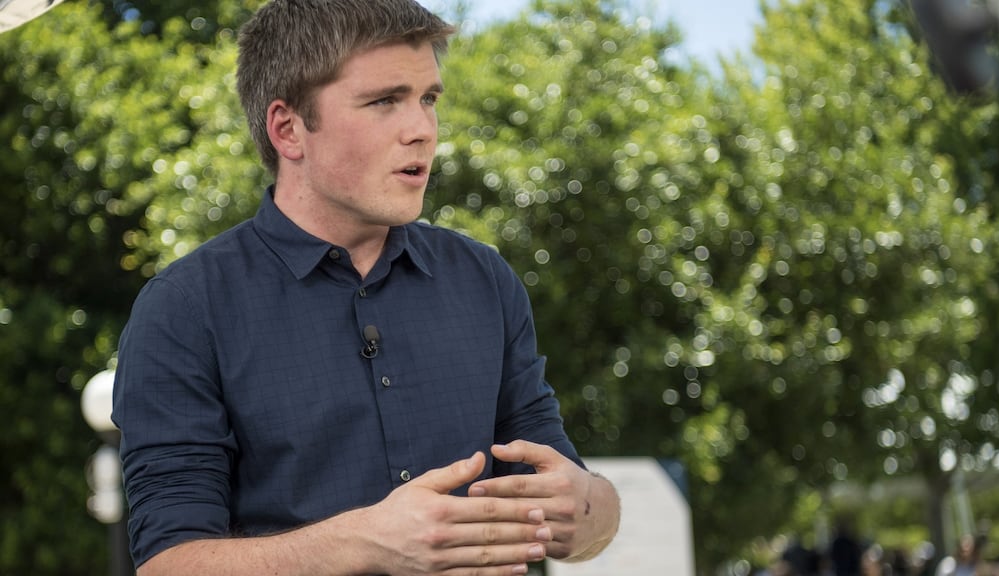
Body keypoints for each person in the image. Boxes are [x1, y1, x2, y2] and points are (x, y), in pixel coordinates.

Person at [110, 0, 621, 574]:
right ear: (289, 130)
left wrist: (590, 506)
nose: (422, 130)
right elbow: (168, 562)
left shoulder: (485, 280)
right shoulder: (184, 309)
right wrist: (361, 542)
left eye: (428, 99)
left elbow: (567, 494)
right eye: (385, 102)